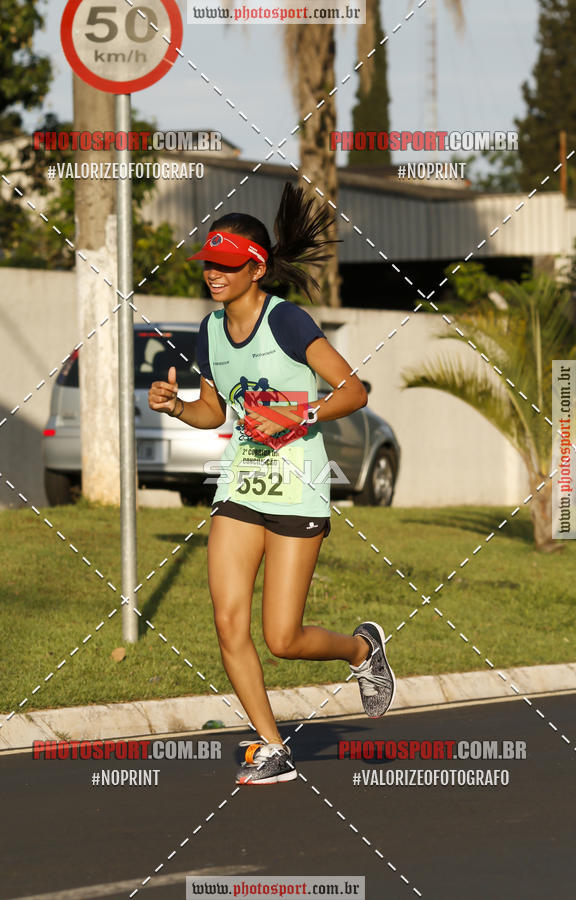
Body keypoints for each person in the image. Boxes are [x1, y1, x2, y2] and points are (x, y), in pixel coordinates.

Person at [148, 183, 395, 785]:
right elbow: (216, 411)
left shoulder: (285, 319)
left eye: (226, 265)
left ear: (256, 269)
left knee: (282, 637)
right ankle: (272, 746)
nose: (213, 274)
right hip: (239, 486)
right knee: (228, 621)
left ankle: (362, 650)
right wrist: (177, 406)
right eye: (209, 263)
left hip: (298, 486)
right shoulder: (210, 331)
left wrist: (299, 415)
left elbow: (353, 391)